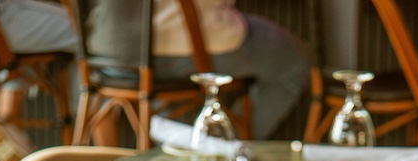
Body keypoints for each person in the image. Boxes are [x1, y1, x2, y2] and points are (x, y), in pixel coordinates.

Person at [88, 0, 311, 141]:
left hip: (111, 54)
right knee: (294, 61)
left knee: (83, 73)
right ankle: (219, 145)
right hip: (193, 46)